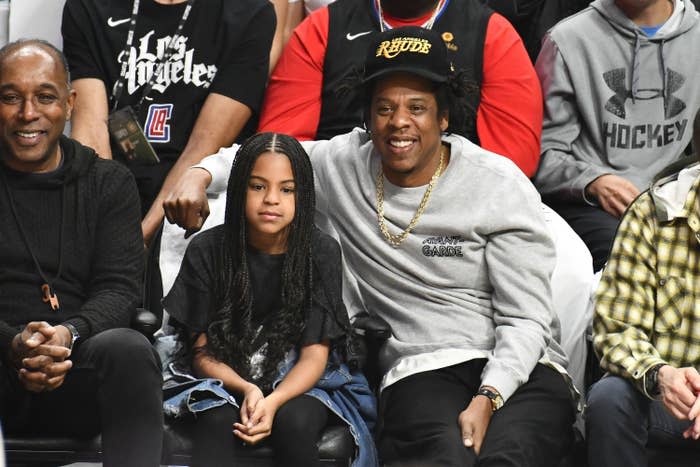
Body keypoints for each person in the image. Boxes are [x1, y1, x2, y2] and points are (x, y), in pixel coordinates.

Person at [165, 26, 575, 466]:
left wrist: (489, 396)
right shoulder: (343, 164)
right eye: (384, 108)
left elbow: (526, 319)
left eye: (417, 108)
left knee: (509, 458)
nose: (399, 122)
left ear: (444, 118)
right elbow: (261, 157)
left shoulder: (497, 184)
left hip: (521, 368)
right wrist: (198, 174)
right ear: (367, 117)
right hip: (422, 366)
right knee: (445, 457)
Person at [162, 132, 377, 467]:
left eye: (286, 189)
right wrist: (247, 390)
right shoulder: (207, 249)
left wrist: (273, 400)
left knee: (295, 421)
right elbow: (201, 353)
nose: (272, 199)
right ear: (238, 191)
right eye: (258, 186)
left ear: (302, 195)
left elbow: (314, 357)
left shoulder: (321, 252)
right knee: (216, 419)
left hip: (299, 379)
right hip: (222, 372)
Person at [0, 40, 163, 466]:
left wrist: (67, 334)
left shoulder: (107, 182)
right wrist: (13, 344)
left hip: (78, 366)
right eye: (11, 98)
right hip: (1, 364)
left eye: (45, 97)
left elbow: (119, 289)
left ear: (70, 104)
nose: (28, 114)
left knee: (128, 348)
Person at [61, 0, 275, 244]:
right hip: (108, 198)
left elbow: (205, 144)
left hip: (194, 203)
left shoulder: (249, 13)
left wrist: (141, 241)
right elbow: (90, 132)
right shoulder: (88, 6)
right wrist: (110, 238)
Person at [259, 0, 543, 177]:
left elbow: (513, 164)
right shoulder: (323, 26)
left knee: (566, 265)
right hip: (336, 190)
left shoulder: (493, 33)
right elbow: (280, 144)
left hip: (457, 195)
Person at [533, 0, 700, 271]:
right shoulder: (567, 40)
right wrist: (593, 181)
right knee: (629, 254)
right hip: (595, 203)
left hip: (674, 193)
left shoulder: (695, 36)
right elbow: (541, 154)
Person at [586, 109, 700, 466]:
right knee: (610, 397)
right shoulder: (654, 212)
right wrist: (660, 374)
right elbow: (616, 330)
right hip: (672, 400)